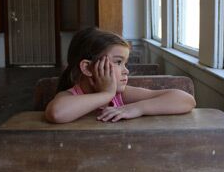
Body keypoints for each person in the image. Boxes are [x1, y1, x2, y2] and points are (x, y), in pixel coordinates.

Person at [45, 27, 196, 123]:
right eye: (118, 62)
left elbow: (186, 100)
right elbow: (57, 113)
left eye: (125, 63)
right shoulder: (71, 95)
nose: (126, 70)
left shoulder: (121, 95)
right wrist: (106, 94)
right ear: (87, 68)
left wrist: (138, 108)